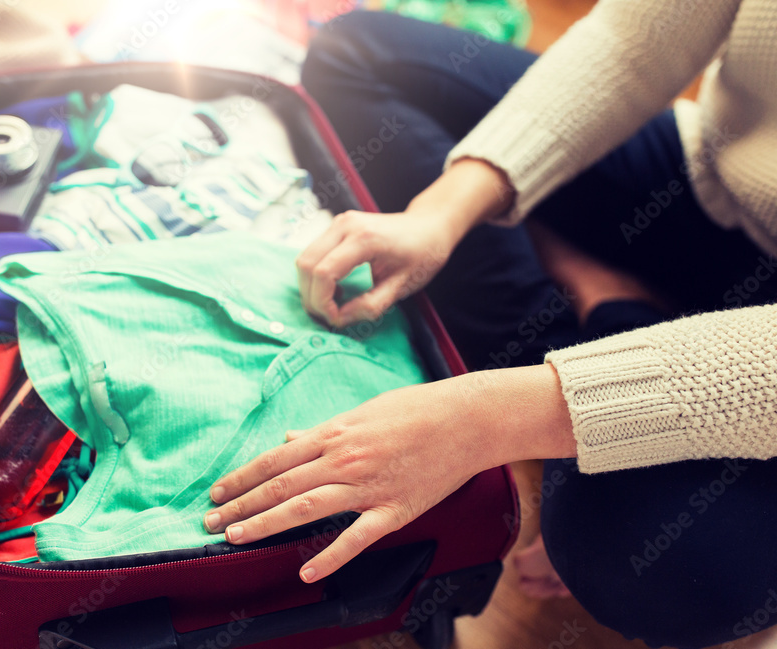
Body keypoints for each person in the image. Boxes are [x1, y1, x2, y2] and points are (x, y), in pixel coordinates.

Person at [202, 2, 777, 647]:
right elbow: (635, 40)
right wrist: (441, 213)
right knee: (354, 54)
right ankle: (586, 326)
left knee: (664, 570)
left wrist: (488, 416)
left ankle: (608, 307)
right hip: (717, 186)